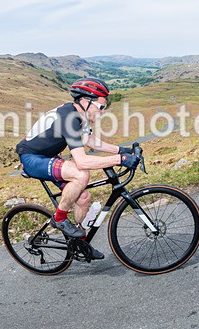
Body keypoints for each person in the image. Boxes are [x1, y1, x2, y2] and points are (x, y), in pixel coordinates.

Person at [15, 77, 140, 260]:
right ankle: (59, 218)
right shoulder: (69, 118)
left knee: (83, 198)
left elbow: (89, 141)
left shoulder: (82, 116)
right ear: (86, 101)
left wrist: (123, 150)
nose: (103, 112)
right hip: (32, 158)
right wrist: (120, 159)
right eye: (101, 107)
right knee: (81, 174)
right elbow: (81, 162)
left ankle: (79, 243)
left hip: (49, 157)